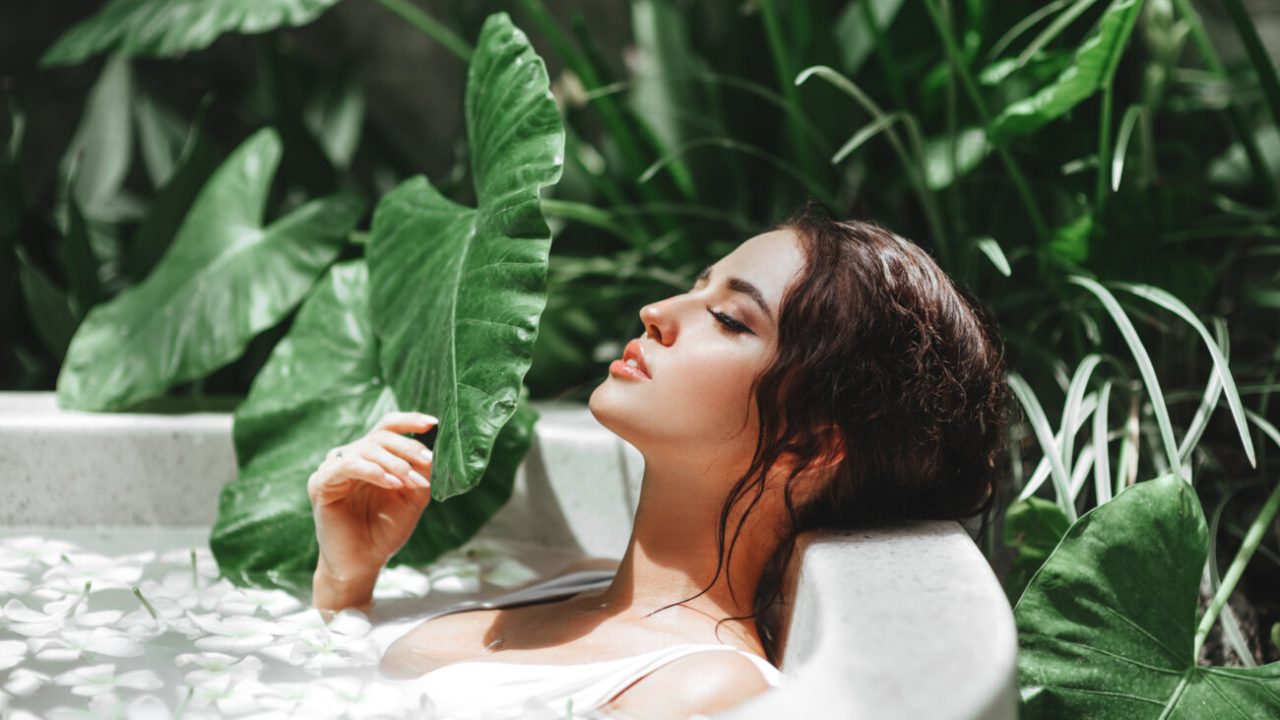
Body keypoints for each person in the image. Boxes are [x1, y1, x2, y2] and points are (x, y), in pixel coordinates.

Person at [307, 199, 1012, 719]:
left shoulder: (702, 692)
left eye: (731, 319)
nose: (657, 310)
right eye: (697, 285)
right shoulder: (577, 582)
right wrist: (348, 583)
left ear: (809, 445)